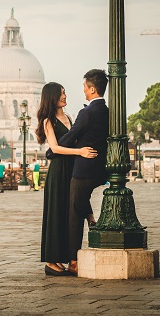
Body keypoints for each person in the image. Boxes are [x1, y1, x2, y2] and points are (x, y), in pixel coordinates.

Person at [35, 82, 98, 277]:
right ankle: (51, 261)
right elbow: (54, 148)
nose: (65, 96)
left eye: (65, 93)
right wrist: (80, 152)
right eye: (62, 94)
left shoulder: (69, 117)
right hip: (58, 171)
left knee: (69, 214)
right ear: (52, 97)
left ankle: (69, 257)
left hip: (72, 167)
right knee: (56, 213)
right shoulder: (48, 120)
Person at [57, 69, 109, 276]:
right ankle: (91, 219)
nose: (83, 92)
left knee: (73, 216)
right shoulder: (107, 111)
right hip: (100, 170)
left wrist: (55, 149)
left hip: (83, 170)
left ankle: (73, 261)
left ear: (92, 88)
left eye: (85, 88)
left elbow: (72, 136)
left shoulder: (86, 113)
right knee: (81, 204)